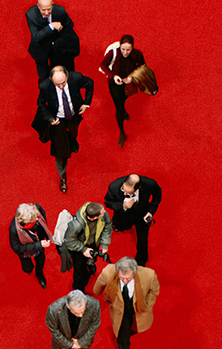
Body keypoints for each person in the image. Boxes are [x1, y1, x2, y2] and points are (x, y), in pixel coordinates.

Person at [34, 62, 94, 191]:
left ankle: (72, 143)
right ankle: (62, 176)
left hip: (74, 116)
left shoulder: (76, 77)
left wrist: (86, 103)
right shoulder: (45, 85)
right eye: (57, 84)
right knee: (61, 151)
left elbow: (90, 83)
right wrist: (50, 118)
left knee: (72, 135)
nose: (61, 86)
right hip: (57, 120)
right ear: (51, 80)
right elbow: (41, 104)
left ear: (67, 76)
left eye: (63, 83)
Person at [93, 259, 159, 349]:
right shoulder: (108, 272)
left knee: (134, 324)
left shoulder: (149, 275)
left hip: (137, 307)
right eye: (121, 278)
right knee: (122, 330)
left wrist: (147, 304)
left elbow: (154, 291)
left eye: (128, 278)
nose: (124, 281)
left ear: (134, 272)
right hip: (119, 309)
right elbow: (97, 289)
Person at [101, 34, 157, 141]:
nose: (125, 52)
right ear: (120, 46)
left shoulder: (137, 54)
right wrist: (113, 76)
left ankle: (123, 110)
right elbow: (103, 65)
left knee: (123, 100)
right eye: (123, 49)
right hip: (114, 84)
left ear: (132, 48)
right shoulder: (113, 52)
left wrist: (131, 77)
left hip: (128, 83)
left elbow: (142, 66)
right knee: (118, 107)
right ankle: (122, 132)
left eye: (128, 50)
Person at [54, 196, 114, 293]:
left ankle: (90, 266)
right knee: (80, 272)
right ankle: (78, 290)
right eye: (102, 213)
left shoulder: (103, 214)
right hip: (79, 249)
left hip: (94, 243)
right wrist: (83, 249)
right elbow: (69, 241)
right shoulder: (76, 225)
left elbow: (107, 226)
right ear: (95, 217)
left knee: (92, 259)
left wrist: (104, 244)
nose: (105, 212)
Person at [105, 168, 162, 263]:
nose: (125, 194)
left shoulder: (150, 184)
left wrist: (150, 212)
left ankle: (141, 262)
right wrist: (122, 206)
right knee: (120, 225)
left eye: (129, 192)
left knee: (143, 241)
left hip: (142, 214)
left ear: (138, 187)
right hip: (123, 214)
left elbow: (157, 196)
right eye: (123, 190)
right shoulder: (114, 186)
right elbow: (108, 202)